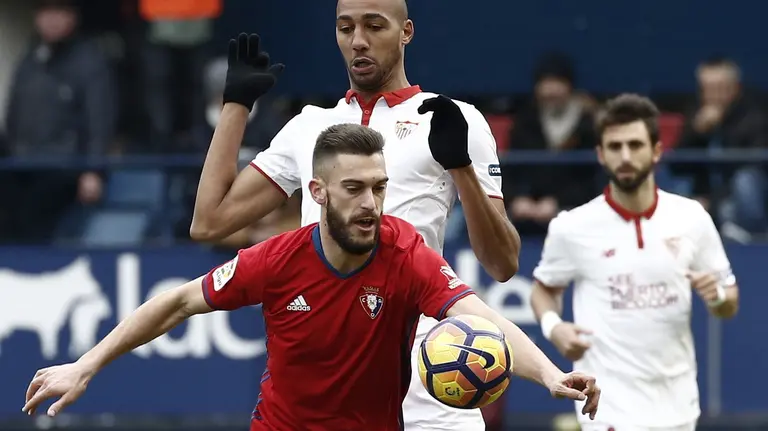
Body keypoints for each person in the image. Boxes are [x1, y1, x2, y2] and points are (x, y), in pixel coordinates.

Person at [22, 124, 601, 430]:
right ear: (318, 193)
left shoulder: (405, 255)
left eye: (379, 187)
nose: (373, 203)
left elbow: (484, 320)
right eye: (355, 189)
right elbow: (176, 304)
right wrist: (85, 364)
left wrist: (551, 378)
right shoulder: (275, 261)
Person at [190, 1, 521, 429]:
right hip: (335, 381)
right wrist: (235, 107)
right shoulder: (309, 126)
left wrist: (461, 169)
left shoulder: (456, 121)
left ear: (407, 32)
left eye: (373, 26)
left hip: (433, 371)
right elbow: (209, 222)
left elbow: (502, 263)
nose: (358, 41)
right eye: (345, 28)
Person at [530, 94, 740, 431]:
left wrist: (715, 297)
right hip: (608, 409)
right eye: (614, 147)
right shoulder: (572, 227)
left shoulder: (692, 218)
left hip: (679, 406)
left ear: (656, 150)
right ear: (601, 154)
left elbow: (729, 303)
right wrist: (554, 327)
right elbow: (542, 292)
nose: (625, 156)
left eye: (635, 144)